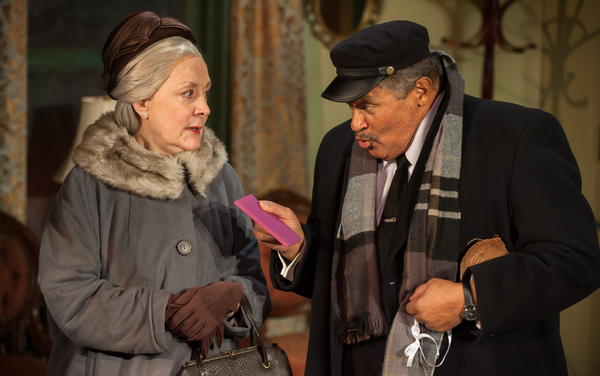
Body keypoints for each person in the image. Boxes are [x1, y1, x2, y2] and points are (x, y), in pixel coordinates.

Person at [254, 20, 600, 375]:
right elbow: (336, 279)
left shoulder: (515, 138)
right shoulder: (336, 147)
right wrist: (297, 248)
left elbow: (575, 259)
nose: (355, 123)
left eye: (367, 105)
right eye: (350, 107)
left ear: (421, 91)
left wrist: (470, 299)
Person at [39, 10, 270, 376]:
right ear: (141, 102)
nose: (204, 107)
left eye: (205, 92)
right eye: (188, 94)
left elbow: (254, 283)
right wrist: (163, 310)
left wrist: (232, 295)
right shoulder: (89, 186)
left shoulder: (222, 178)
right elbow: (69, 295)